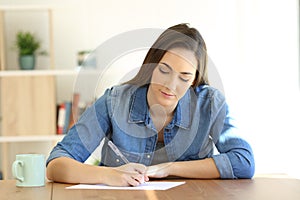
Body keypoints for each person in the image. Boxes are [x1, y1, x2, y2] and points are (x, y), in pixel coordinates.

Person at [46, 23, 255, 186]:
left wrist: (169, 168)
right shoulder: (115, 101)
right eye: (164, 70)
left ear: (194, 80)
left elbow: (243, 162)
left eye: (184, 77)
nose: (170, 85)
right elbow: (56, 164)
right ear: (151, 65)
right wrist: (110, 174)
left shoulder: (209, 103)